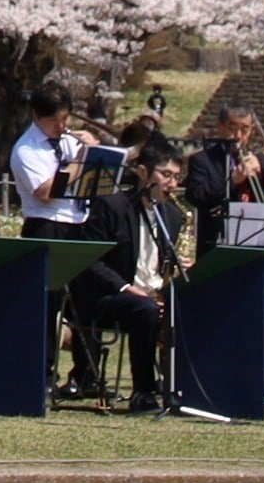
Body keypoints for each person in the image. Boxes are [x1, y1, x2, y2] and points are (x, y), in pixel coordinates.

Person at [184, 103, 264, 394]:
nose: (239, 135)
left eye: (245, 129)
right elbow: (197, 196)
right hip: (218, 247)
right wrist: (232, 182)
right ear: (220, 127)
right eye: (233, 128)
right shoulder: (203, 161)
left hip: (256, 244)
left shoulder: (261, 161)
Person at [9, 80, 102, 399]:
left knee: (86, 300)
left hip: (77, 223)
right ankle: (43, 374)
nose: (62, 126)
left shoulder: (69, 142)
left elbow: (90, 176)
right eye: (55, 121)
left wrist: (96, 152)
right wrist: (81, 161)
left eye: (66, 119)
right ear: (36, 115)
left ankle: (86, 374)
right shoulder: (26, 149)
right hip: (45, 226)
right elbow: (46, 192)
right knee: (48, 306)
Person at [76, 142, 186, 412]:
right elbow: (90, 260)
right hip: (110, 297)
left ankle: (183, 388)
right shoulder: (112, 206)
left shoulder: (172, 216)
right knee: (145, 309)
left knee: (193, 301)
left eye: (177, 177)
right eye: (166, 175)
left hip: (152, 293)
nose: (172, 184)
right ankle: (143, 392)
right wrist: (126, 287)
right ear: (143, 172)